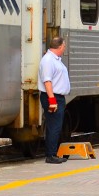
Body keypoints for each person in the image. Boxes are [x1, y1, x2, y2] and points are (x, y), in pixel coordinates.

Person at [38, 36, 71, 164]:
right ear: (59, 46)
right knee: (53, 126)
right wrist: (52, 100)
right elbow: (47, 81)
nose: (64, 48)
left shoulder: (55, 59)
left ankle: (54, 153)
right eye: (64, 46)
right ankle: (50, 155)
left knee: (56, 126)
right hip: (52, 97)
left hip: (57, 97)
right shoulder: (48, 60)